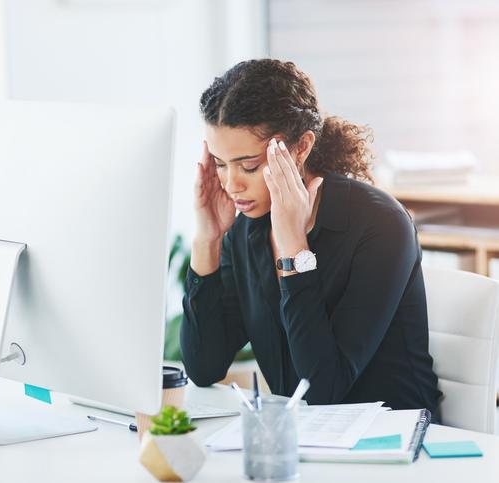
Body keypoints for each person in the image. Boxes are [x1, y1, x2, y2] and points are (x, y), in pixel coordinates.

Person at [180, 59, 442, 417]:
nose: (231, 184)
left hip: (392, 440)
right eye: (221, 164)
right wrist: (206, 241)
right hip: (304, 439)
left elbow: (321, 390)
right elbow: (203, 367)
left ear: (301, 147)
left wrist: (293, 251)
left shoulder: (380, 225)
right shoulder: (246, 228)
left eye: (249, 165)